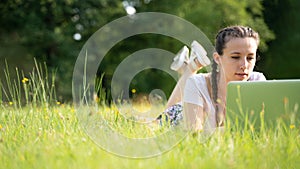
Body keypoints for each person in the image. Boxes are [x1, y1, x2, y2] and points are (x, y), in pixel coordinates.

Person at [159, 25, 266, 131]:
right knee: (161, 121)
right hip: (179, 115)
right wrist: (241, 130)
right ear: (217, 58)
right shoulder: (197, 83)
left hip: (197, 103)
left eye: (250, 58)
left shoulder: (257, 81)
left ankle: (189, 67)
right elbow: (194, 133)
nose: (244, 65)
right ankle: (191, 67)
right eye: (235, 57)